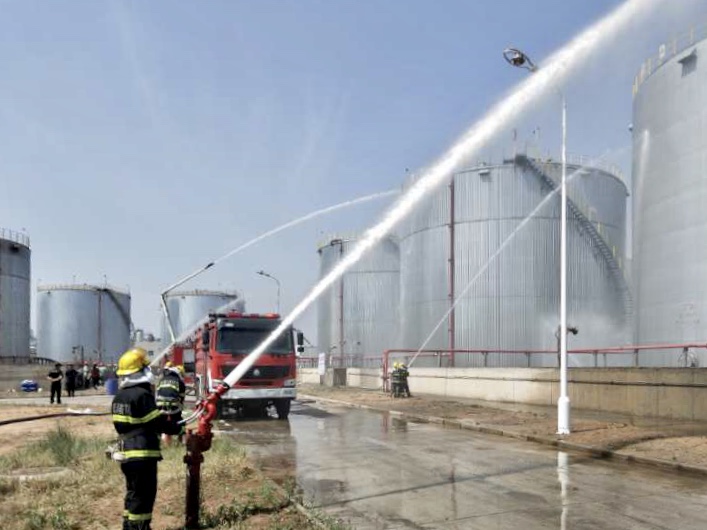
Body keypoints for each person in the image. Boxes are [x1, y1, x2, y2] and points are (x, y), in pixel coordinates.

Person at [112, 347, 180, 530]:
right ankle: (140, 527)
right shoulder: (142, 395)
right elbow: (156, 423)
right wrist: (177, 428)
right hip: (142, 454)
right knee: (144, 495)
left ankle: (129, 526)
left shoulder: (119, 396)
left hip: (126, 454)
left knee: (133, 493)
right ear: (141, 371)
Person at [155, 362, 186, 446]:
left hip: (159, 405)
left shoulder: (162, 380)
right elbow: (182, 398)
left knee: (160, 423)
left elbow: (157, 393)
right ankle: (182, 441)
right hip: (174, 405)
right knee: (180, 422)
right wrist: (180, 409)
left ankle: (158, 443)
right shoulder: (179, 381)